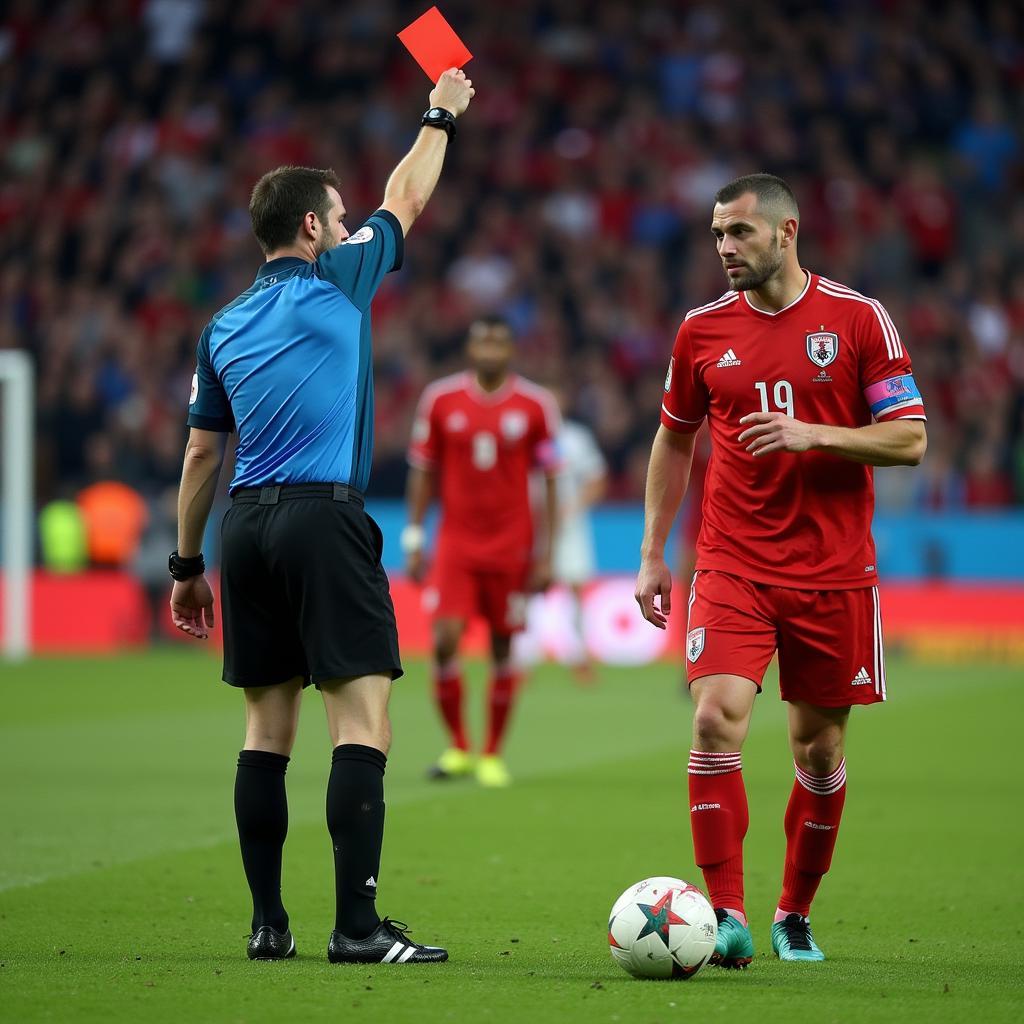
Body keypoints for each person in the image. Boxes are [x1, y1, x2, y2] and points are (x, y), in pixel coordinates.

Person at [168, 69, 474, 965]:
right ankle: (356, 929)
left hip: (245, 527)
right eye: (337, 217)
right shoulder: (337, 279)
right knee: (363, 725)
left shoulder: (220, 325)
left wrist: (187, 568)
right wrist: (440, 114)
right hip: (320, 518)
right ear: (312, 228)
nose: (348, 226)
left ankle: (269, 926)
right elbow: (408, 194)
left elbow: (198, 457)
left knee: (266, 731)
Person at [635, 174, 926, 966]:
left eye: (740, 233)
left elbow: (909, 439)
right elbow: (674, 438)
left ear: (787, 233)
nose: (725, 249)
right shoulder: (700, 331)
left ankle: (793, 911)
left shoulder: (859, 319)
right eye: (717, 236)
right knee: (712, 718)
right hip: (733, 563)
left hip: (834, 573)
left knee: (819, 754)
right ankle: (722, 913)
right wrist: (654, 551)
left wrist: (814, 435)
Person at [404, 317, 560, 787]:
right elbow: (424, 472)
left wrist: (546, 552)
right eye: (482, 341)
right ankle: (457, 746)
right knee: (445, 638)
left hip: (512, 544)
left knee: (501, 645)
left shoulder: (536, 405)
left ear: (510, 349)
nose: (490, 349)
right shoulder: (440, 399)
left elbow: (550, 479)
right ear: (470, 349)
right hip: (456, 542)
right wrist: (414, 537)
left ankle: (491, 753)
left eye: (498, 341)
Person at [550, 389, 607, 680]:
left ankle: (579, 656)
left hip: (570, 527)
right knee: (524, 591)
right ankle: (519, 661)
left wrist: (573, 508)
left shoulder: (576, 438)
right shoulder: (524, 433)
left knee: (575, 590)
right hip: (533, 526)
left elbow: (597, 479)